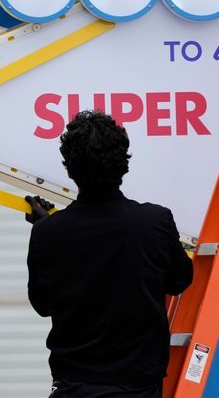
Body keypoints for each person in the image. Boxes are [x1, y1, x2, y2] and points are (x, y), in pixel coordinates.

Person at [25, 110, 194, 398]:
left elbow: (43, 305)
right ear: (124, 165)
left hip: (74, 384)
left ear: (69, 170)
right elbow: (180, 281)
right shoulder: (155, 222)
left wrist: (49, 226)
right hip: (139, 383)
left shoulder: (47, 233)